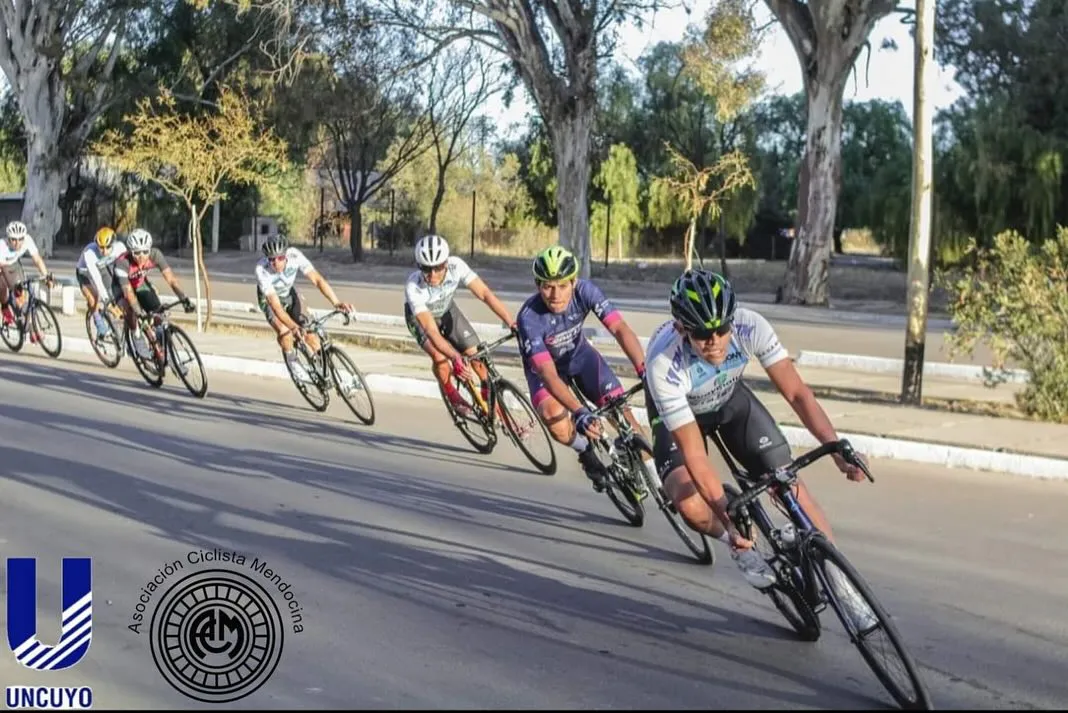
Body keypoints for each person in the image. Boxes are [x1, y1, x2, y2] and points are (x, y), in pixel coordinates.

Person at [643, 268, 876, 630]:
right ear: (681, 329)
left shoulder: (751, 326)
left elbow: (797, 393)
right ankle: (740, 549)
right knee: (688, 501)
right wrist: (724, 516)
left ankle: (844, 588)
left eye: (723, 329)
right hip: (681, 414)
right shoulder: (664, 365)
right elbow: (695, 455)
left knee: (788, 483)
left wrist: (835, 449)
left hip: (729, 398)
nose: (716, 341)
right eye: (703, 334)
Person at [515, 245, 653, 492]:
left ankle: (656, 478)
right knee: (554, 419)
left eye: (562, 285)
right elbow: (547, 374)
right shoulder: (529, 318)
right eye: (547, 286)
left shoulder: (586, 291)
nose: (555, 294)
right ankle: (585, 451)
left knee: (622, 413)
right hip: (546, 372)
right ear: (538, 285)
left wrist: (643, 370)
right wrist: (579, 411)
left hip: (580, 357)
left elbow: (619, 329)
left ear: (574, 282)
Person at [403, 234, 516, 413]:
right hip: (421, 321)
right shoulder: (413, 286)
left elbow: (485, 294)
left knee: (477, 357)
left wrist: (511, 322)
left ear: (446, 263)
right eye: (426, 269)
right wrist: (454, 356)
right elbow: (431, 331)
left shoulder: (457, 266)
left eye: (438, 268)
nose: (432, 275)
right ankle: (451, 394)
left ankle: (492, 403)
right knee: (440, 358)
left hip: (447, 312)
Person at [255, 236, 353, 381]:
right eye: (272, 259)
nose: (276, 263)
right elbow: (276, 307)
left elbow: (317, 280)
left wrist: (336, 302)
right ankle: (292, 361)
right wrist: (294, 327)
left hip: (289, 294)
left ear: (286, 255)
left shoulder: (295, 255)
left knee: (310, 333)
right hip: (270, 300)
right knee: (285, 332)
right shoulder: (261, 270)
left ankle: (326, 370)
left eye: (280, 258)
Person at [112, 228, 195, 360]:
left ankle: (165, 353)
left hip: (139, 284)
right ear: (130, 251)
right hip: (121, 287)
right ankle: (136, 335)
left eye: (145, 251)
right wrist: (140, 314)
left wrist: (184, 299)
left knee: (158, 314)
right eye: (137, 252)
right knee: (130, 310)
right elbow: (128, 293)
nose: (141, 256)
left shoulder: (155, 255)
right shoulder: (122, 263)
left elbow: (171, 279)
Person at [0, 221, 54, 332]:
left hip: (14, 264)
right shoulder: (2, 246)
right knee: (5, 289)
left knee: (21, 292)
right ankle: (5, 308)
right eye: (13, 240)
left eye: (20, 239)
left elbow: (37, 260)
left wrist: (46, 276)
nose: (17, 243)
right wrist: (14, 288)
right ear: (8, 239)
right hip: (2, 267)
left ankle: (24, 319)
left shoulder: (28, 240)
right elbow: (5, 271)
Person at [76, 227, 127, 336]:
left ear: (114, 243)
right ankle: (98, 321)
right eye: (101, 248)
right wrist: (105, 300)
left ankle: (112, 322)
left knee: (115, 293)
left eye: (108, 247)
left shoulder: (120, 248)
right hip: (85, 272)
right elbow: (96, 279)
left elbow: (127, 268)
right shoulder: (89, 253)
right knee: (94, 298)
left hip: (103, 268)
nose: (104, 251)